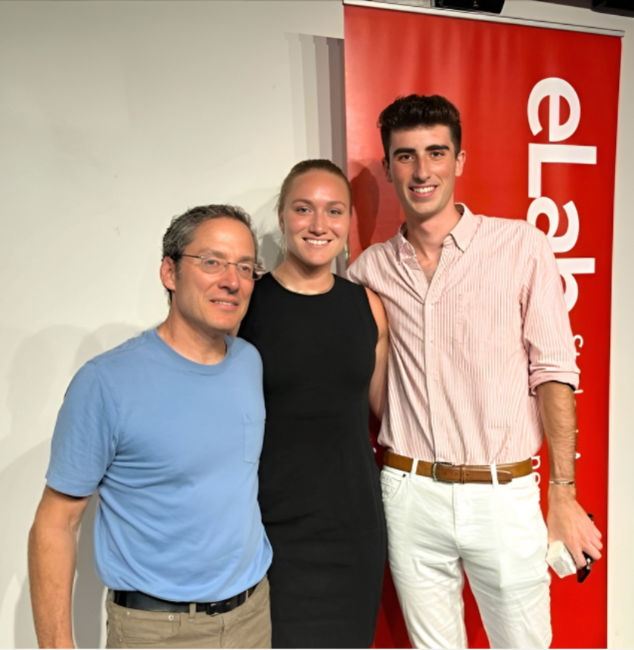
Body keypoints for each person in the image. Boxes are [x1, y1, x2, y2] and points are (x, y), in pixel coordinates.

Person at [347, 95, 603, 649]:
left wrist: (563, 491)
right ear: (390, 167)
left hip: (503, 493)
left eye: (436, 153)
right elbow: (370, 380)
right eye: (406, 156)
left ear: (459, 161)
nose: (422, 170)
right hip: (409, 493)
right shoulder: (367, 270)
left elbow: (555, 372)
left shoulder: (521, 247)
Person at [27, 204, 273, 649]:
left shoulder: (248, 362)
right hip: (158, 631)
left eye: (244, 266)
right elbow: (55, 523)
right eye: (212, 261)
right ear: (169, 272)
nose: (232, 280)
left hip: (252, 616)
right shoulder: (106, 382)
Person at [237, 159, 389, 648]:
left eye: (334, 211)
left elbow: (389, 411)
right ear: (282, 219)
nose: (319, 225)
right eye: (304, 209)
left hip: (353, 527)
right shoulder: (244, 307)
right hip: (267, 528)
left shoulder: (366, 306)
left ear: (347, 224)